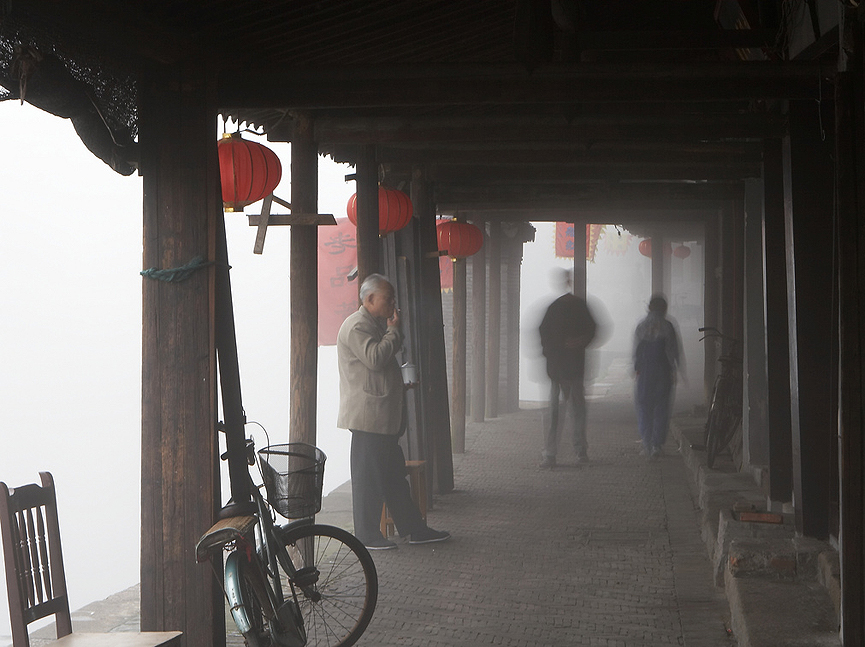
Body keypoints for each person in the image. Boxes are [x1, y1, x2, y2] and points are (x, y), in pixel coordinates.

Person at [336, 273, 451, 550]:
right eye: (388, 298)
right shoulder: (356, 326)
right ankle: (367, 535)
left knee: (393, 478)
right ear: (369, 299)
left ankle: (413, 529)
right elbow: (375, 359)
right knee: (369, 480)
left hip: (382, 418)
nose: (393, 304)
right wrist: (394, 331)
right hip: (368, 419)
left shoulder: (373, 324)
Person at [538, 269, 597, 468]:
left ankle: (555, 453)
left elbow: (591, 330)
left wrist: (575, 343)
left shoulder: (560, 308)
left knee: (561, 412)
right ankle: (569, 452)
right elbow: (544, 336)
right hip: (564, 368)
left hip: (564, 368)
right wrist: (575, 343)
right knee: (571, 411)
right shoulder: (572, 307)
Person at [633, 294, 683, 459]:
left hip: (645, 372)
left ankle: (646, 442)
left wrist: (636, 369)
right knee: (661, 407)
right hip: (663, 371)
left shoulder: (641, 326)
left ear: (649, 307)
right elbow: (673, 351)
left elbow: (636, 351)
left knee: (644, 406)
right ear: (664, 309)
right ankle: (657, 445)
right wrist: (677, 370)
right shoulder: (668, 326)